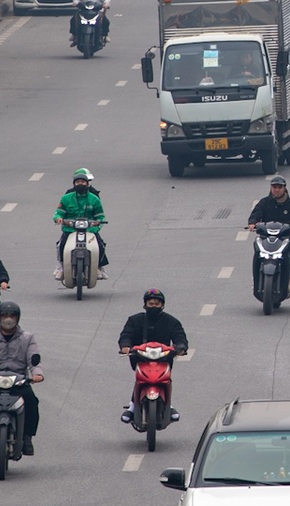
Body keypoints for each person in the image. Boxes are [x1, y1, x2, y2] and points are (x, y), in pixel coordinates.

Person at [0, 301, 41, 457]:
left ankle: (27, 437)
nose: (8, 319)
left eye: (12, 316)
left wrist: (37, 374)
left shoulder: (27, 338)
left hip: (18, 380)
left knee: (31, 401)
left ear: (18, 318)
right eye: (4, 316)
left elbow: (34, 358)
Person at [118, 288, 190, 423]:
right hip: (140, 357)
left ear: (162, 305)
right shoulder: (134, 320)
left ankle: (169, 405)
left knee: (165, 379)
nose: (154, 306)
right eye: (151, 304)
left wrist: (180, 347)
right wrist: (125, 347)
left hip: (164, 359)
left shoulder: (172, 321)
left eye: (157, 304)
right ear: (145, 305)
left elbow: (180, 337)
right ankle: (133, 406)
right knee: (140, 378)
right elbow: (125, 335)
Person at [245, 176, 290, 280]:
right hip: (266, 237)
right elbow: (255, 215)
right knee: (257, 249)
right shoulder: (264, 202)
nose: (277, 190)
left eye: (280, 187)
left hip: (285, 238)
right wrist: (252, 223)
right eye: (274, 187)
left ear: (284, 188)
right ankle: (255, 277)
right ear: (271, 188)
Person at [52, 168, 107, 281]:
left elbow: (100, 216)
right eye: (78, 182)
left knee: (100, 246)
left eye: (83, 182)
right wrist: (58, 219)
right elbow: (58, 213)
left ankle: (98, 266)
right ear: (74, 184)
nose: (80, 184)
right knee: (60, 245)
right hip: (70, 229)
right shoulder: (66, 198)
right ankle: (62, 267)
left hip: (90, 230)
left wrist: (97, 224)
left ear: (87, 184)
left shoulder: (94, 199)